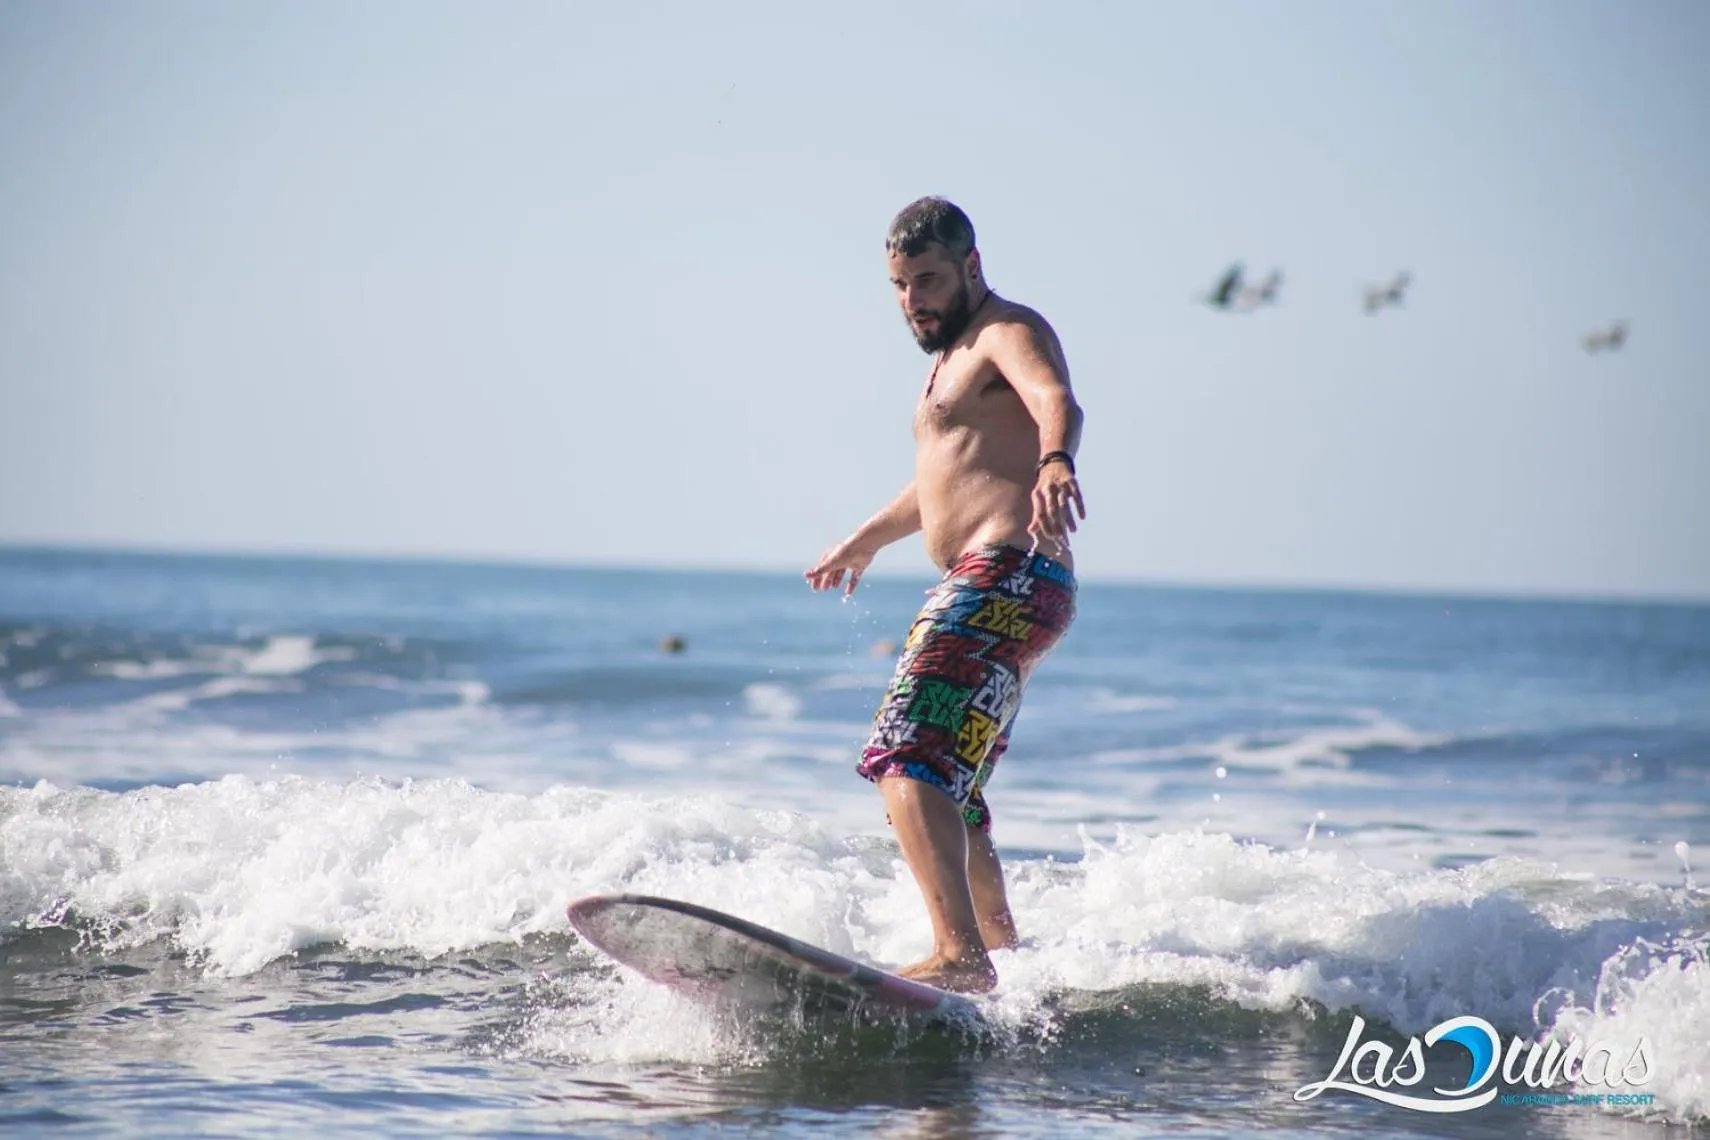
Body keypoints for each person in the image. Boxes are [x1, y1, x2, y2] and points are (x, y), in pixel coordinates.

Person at [803, 196, 1086, 993]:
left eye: (926, 279)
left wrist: (1057, 459)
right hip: (1024, 584)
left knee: (906, 756)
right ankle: (1001, 955)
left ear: (970, 265)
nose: (912, 300)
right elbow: (941, 482)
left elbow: (1054, 399)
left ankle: (960, 955)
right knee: (953, 784)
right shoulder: (951, 360)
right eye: (899, 285)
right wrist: (866, 538)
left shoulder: (1005, 330)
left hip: (1003, 572)